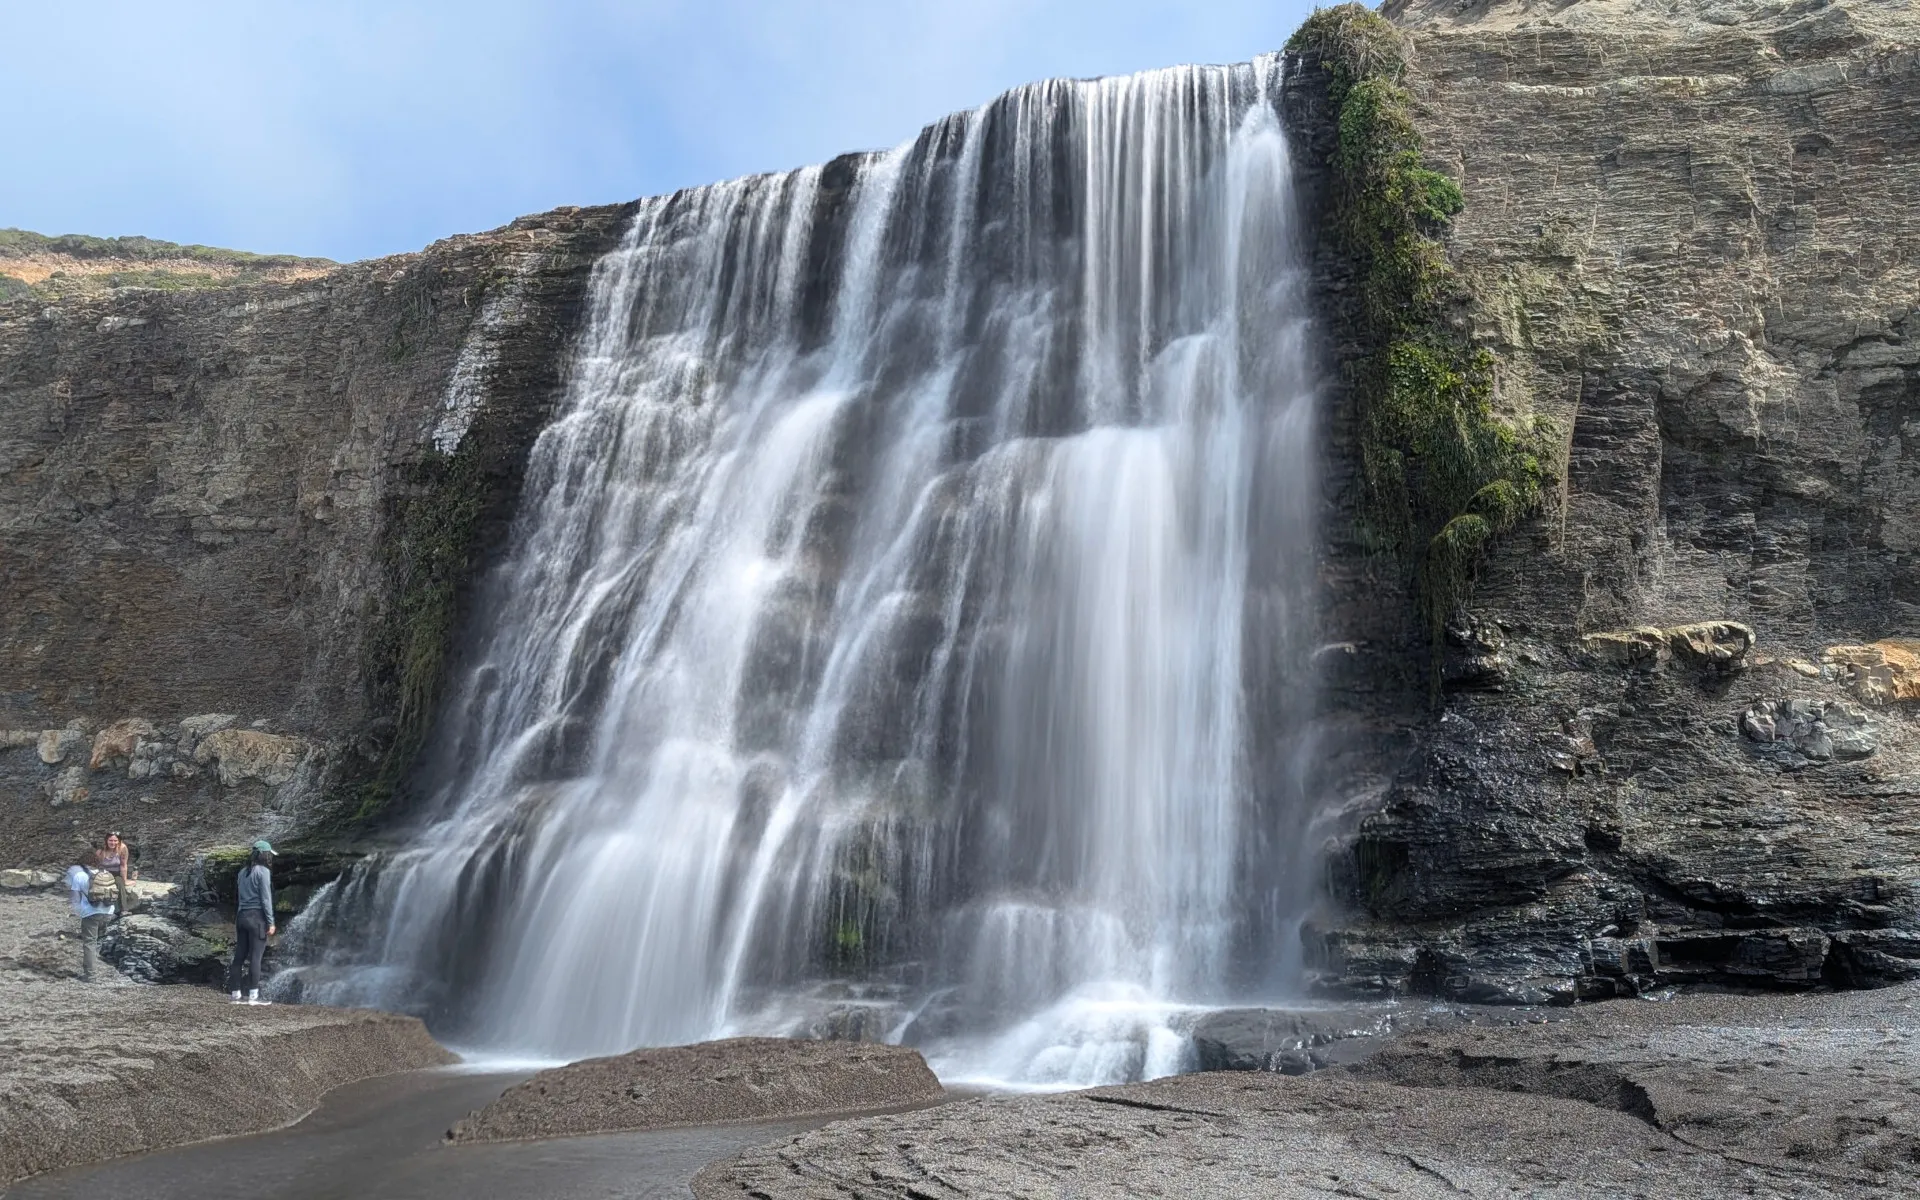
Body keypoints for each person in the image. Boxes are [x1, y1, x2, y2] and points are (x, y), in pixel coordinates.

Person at [227, 840, 277, 1005]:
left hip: (241, 917)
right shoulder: (263, 872)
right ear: (264, 855)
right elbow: (266, 899)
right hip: (257, 919)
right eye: (269, 854)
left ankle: (235, 994)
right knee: (255, 958)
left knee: (239, 957)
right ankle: (253, 997)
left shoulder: (242, 872)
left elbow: (240, 897)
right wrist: (271, 922)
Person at [65, 850, 113, 981]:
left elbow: (75, 898)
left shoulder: (80, 875)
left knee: (89, 943)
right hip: (108, 912)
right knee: (99, 940)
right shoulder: (106, 873)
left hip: (91, 913)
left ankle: (91, 975)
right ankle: (96, 965)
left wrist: (77, 912)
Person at [98, 831, 136, 918]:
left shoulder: (122, 848)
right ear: (106, 840)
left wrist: (125, 880)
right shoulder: (101, 850)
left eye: (115, 841)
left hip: (116, 873)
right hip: (103, 872)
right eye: (110, 840)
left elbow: (123, 865)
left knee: (119, 883)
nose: (113, 843)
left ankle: (123, 910)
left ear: (119, 841)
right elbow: (96, 864)